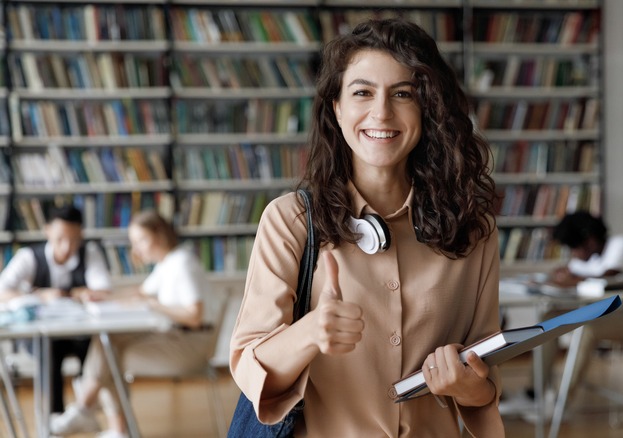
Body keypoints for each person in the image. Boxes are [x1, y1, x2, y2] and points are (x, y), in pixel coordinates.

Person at [230, 18, 504, 437]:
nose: (381, 112)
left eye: (403, 94)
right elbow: (251, 369)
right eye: (362, 92)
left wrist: (470, 388)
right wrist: (309, 333)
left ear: (428, 107)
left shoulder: (474, 228)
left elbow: (486, 378)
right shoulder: (291, 221)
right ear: (336, 108)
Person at [50, 210, 215, 438]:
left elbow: (195, 316)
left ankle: (92, 413)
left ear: (159, 236)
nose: (136, 250)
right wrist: (102, 296)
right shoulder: (167, 263)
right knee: (108, 342)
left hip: (189, 346)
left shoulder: (182, 264)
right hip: (174, 338)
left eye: (141, 241)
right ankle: (95, 416)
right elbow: (141, 293)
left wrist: (154, 304)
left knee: (110, 353)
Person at [523, 210, 623, 410]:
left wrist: (569, 278)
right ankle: (534, 392)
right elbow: (568, 272)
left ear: (589, 241)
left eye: (574, 248)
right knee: (550, 317)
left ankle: (560, 404)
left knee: (587, 328)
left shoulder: (622, 246)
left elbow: (605, 279)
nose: (573, 254)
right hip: (614, 315)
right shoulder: (589, 257)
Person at [0, 204, 112, 416]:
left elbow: (104, 291)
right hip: (43, 336)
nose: (67, 246)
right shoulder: (29, 256)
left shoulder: (90, 253)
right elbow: (2, 290)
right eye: (60, 238)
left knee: (99, 348)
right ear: (47, 231)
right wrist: (39, 295)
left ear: (81, 234)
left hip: (79, 333)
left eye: (74, 239)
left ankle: (84, 410)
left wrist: (73, 294)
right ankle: (55, 417)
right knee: (48, 350)